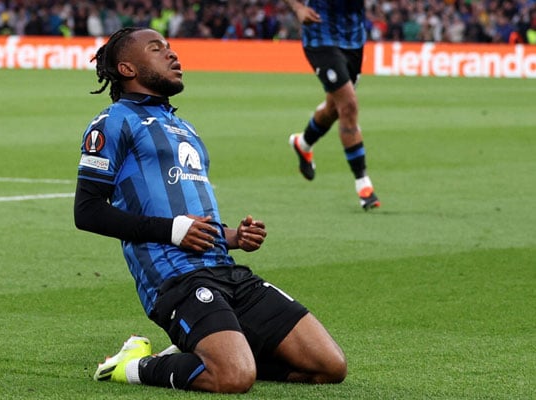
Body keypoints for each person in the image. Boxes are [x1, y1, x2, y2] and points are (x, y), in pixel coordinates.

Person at [74, 27, 347, 393]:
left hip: (227, 272)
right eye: (157, 49)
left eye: (170, 47)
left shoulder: (184, 127)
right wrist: (172, 231)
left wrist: (230, 235)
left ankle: (207, 346)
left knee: (329, 366)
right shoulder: (113, 122)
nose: (172, 55)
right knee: (233, 377)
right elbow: (87, 211)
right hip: (176, 281)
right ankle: (132, 365)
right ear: (127, 69)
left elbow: (189, 213)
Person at [283, 0, 380, 210]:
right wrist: (298, 8)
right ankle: (364, 185)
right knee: (349, 106)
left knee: (335, 108)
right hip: (320, 37)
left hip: (353, 40)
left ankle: (303, 143)